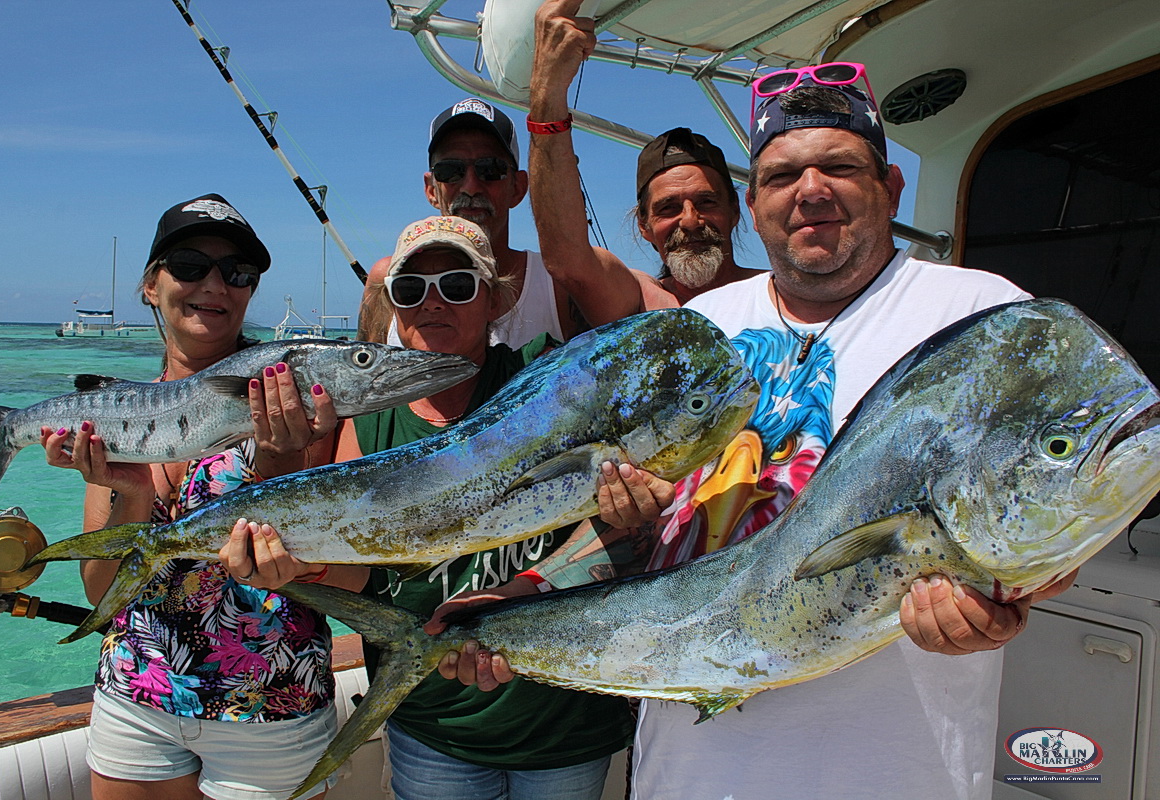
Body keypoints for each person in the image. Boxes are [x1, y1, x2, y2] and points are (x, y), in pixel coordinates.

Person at [452, 63, 1080, 798]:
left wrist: (1016, 599)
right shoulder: (699, 333)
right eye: (782, 176)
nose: (810, 191)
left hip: (894, 774)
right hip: (684, 770)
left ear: (891, 186)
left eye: (839, 167)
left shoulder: (979, 315)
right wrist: (525, 591)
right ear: (754, 204)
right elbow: (661, 530)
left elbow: (1060, 503)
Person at [41, 193, 369, 800]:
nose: (214, 284)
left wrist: (280, 462)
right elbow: (99, 595)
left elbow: (352, 583)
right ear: (150, 285)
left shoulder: (314, 407)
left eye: (237, 273)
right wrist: (131, 492)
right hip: (134, 697)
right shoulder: (120, 418)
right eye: (190, 265)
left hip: (271, 710)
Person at [334, 214, 671, 800]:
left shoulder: (555, 380)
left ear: (496, 299)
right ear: (393, 308)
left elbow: (628, 538)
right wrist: (295, 569)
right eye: (412, 290)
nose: (434, 303)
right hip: (433, 727)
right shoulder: (368, 422)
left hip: (565, 722)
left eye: (458, 285)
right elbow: (354, 569)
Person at [527, 0, 756, 314]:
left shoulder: (780, 294)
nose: (690, 221)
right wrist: (547, 89)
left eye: (706, 202)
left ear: (735, 211)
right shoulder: (640, 302)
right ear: (644, 226)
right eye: (668, 208)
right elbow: (568, 261)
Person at [358, 98, 592, 347]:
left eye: (490, 169)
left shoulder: (556, 284)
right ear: (431, 189)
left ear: (519, 187)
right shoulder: (386, 278)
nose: (470, 187)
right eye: (450, 170)